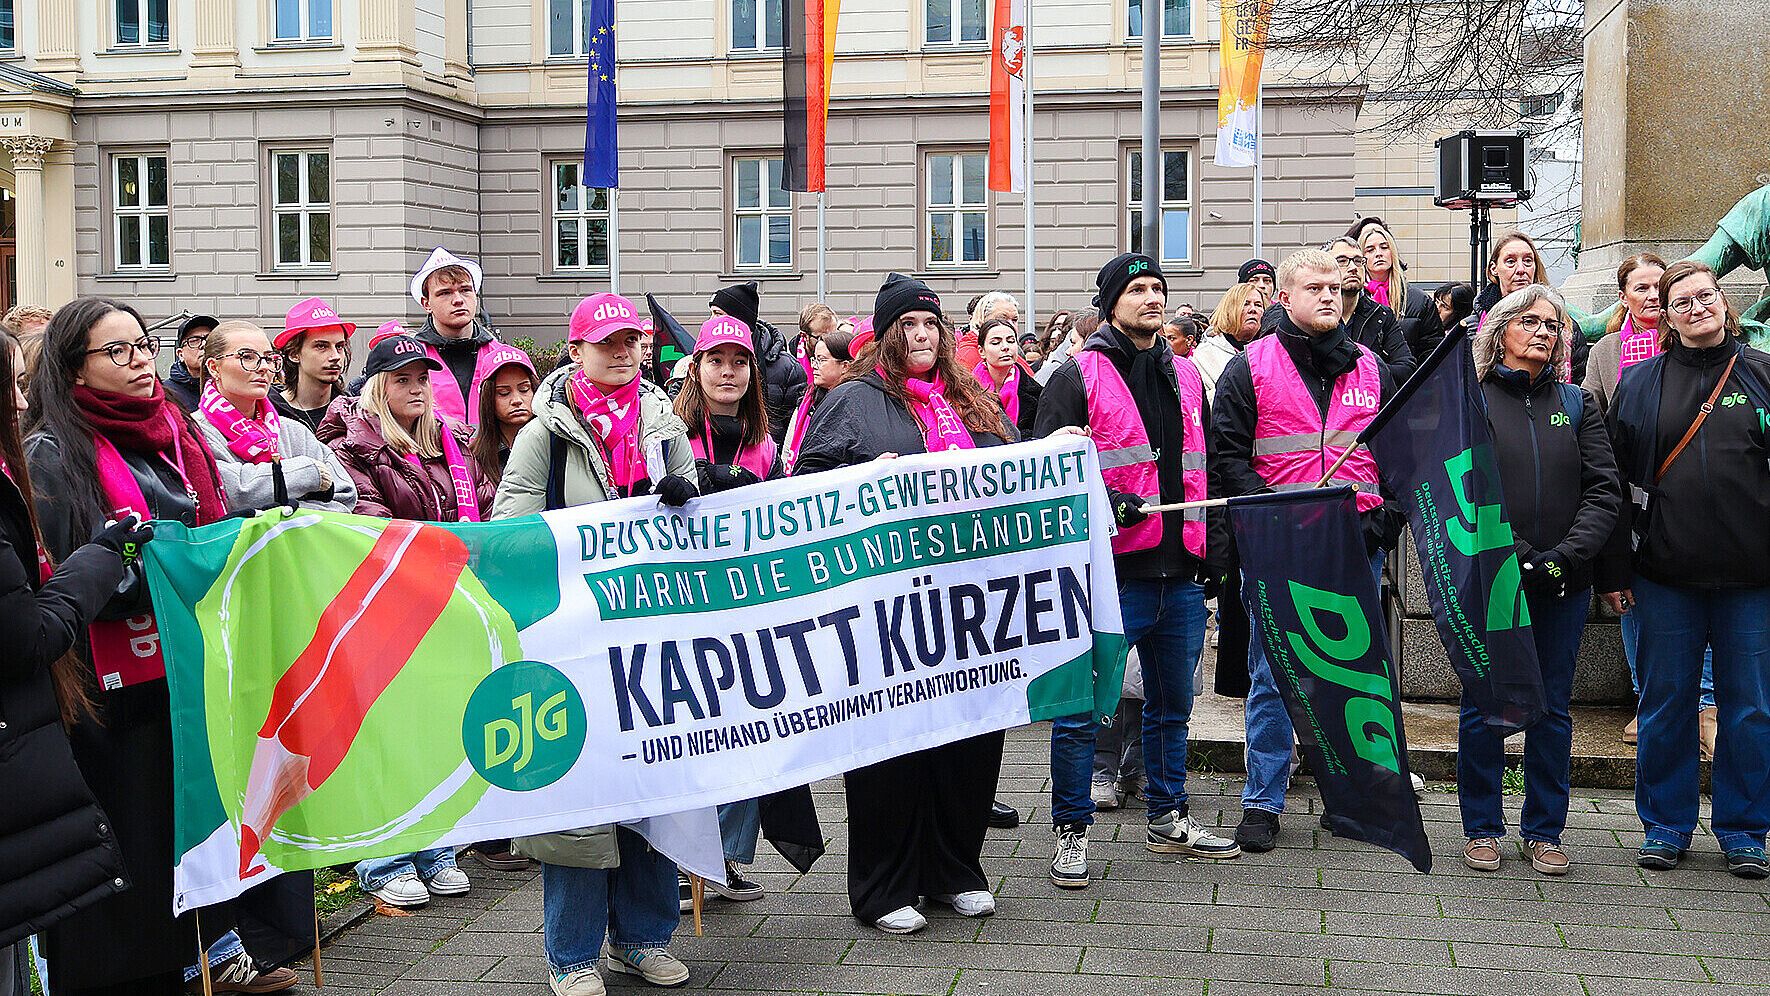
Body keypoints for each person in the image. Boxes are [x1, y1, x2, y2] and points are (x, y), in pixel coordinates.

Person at [23, 298, 237, 994]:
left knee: (162, 878)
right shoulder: (50, 453)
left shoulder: (172, 436)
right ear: (72, 368)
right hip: (98, 703)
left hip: (170, 686)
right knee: (113, 896)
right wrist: (158, 574)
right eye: (117, 351)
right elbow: (59, 578)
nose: (141, 360)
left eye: (143, 344)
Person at [492, 293, 698, 994]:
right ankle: (573, 956)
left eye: (630, 341)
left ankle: (642, 938)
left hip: (650, 642)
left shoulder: (664, 420)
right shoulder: (543, 433)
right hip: (575, 645)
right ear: (575, 351)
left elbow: (699, 518)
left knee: (651, 787)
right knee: (579, 807)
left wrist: (688, 496)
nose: (621, 351)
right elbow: (511, 531)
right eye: (604, 342)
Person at [795, 273, 1014, 934]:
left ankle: (954, 869)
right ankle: (884, 884)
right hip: (887, 606)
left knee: (969, 740)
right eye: (909, 326)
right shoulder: (854, 398)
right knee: (891, 747)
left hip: (968, 601)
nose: (922, 336)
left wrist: (1053, 457)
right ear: (888, 334)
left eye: (931, 326)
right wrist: (866, 478)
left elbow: (1012, 469)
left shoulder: (968, 398)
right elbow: (806, 483)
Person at [1035, 252, 1240, 889]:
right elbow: (1047, 474)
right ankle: (1071, 832)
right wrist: (1103, 499)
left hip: (1178, 571)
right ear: (1110, 302)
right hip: (1109, 573)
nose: (1152, 298)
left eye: (1158, 288)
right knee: (1084, 710)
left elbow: (1201, 469)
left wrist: (1212, 553)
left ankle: (1167, 816)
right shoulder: (1076, 375)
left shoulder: (1185, 374)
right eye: (1137, 289)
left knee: (1172, 706)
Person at [1211, 249, 1400, 853]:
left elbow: (1398, 459)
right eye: (1314, 288)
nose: (1329, 297)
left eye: (1338, 289)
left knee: (1353, 676)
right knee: (1272, 676)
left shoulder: (1371, 367)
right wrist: (1274, 523)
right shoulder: (1249, 368)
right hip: (1279, 548)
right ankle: (1262, 802)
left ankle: (1350, 798)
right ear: (1283, 299)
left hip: (1356, 543)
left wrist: (1383, 522)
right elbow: (1229, 460)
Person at [1598, 260, 1770, 880]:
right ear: (1665, 317)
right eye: (1683, 301)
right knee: (1666, 703)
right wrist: (1614, 570)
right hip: (1663, 576)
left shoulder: (1761, 374)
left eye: (1707, 296)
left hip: (1752, 579)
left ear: (1724, 303)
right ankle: (1666, 825)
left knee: (1750, 707)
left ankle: (1745, 829)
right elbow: (1614, 483)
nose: (1698, 307)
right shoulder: (1641, 383)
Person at [316, 336, 489, 910]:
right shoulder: (351, 444)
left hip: (446, 601)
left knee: (438, 727)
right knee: (384, 728)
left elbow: (486, 505)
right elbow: (366, 517)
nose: (416, 388)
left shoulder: (453, 441)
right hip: (385, 605)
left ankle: (434, 844)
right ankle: (383, 856)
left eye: (423, 378)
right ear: (378, 386)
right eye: (402, 379)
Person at [1458, 285, 1622, 876]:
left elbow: (1605, 490)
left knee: (1553, 707)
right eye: (1530, 321)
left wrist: (1565, 557)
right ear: (1499, 330)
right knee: (1485, 704)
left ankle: (1544, 829)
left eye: (1554, 325)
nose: (1545, 332)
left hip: (1563, 582)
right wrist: (1521, 554)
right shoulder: (1470, 401)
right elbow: (1467, 492)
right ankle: (1482, 826)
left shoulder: (1578, 403)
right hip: (1493, 576)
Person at [0, 327, 140, 996]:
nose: (21, 402)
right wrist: (102, 558)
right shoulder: (45, 457)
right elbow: (27, 634)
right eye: (11, 385)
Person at [1577, 253, 1719, 750]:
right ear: (1625, 297)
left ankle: (1705, 705)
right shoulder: (1610, 353)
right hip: (1639, 504)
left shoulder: (1720, 359)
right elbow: (1593, 415)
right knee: (1640, 608)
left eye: (1661, 288)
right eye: (1643, 289)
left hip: (1708, 516)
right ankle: (1648, 700)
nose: (1653, 298)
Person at [192, 320, 356, 515]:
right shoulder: (194, 432)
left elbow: (345, 495)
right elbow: (223, 492)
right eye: (247, 357)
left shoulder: (294, 431)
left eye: (268, 358)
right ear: (214, 367)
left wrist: (289, 515)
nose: (263, 367)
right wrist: (308, 473)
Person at [411, 246, 509, 427]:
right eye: (445, 293)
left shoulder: (500, 356)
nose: (458, 299)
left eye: (465, 290)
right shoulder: (412, 358)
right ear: (426, 303)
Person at [710, 281, 805, 445]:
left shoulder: (787, 368)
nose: (710, 321)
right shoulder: (702, 361)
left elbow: (795, 429)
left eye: (717, 314)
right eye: (717, 361)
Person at [1328, 236, 1415, 382]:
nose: (1353, 268)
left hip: (1371, 400)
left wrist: (1363, 372)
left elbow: (1406, 368)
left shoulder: (1381, 314)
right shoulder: (1314, 314)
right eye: (1342, 261)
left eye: (1358, 261)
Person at [1358, 221, 1444, 359]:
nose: (1379, 254)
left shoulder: (1420, 301)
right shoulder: (1355, 299)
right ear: (1362, 258)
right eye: (1370, 250)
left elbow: (1432, 351)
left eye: (1384, 247)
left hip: (1409, 377)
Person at [466, 345, 540, 498]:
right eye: (504, 393)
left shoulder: (557, 445)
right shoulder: (473, 458)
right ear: (487, 399)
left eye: (524, 389)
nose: (517, 400)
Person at [272, 297, 354, 434]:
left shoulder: (352, 414)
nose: (335, 356)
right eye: (321, 346)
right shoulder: (268, 412)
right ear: (294, 354)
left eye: (339, 346)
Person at [780, 329, 856, 476]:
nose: (814, 365)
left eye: (821, 360)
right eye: (814, 359)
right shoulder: (807, 400)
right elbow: (788, 450)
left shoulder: (856, 403)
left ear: (845, 366)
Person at [1195, 282, 1268, 401]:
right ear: (1229, 310)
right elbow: (1202, 403)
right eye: (1245, 304)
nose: (1253, 310)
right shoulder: (1204, 356)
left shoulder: (1271, 351)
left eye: (1258, 305)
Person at [974, 316, 1041, 437]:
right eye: (996, 342)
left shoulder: (1038, 394)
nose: (1005, 347)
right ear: (981, 351)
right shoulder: (965, 393)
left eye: (1011, 341)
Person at [163, 314, 217, 412]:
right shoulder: (167, 393)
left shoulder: (229, 387)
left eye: (209, 339)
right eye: (194, 341)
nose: (204, 345)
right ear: (180, 354)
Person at [957, 291, 1019, 370]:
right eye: (1002, 319)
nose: (1011, 325)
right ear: (982, 320)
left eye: (1014, 320)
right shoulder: (968, 358)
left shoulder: (1013, 353)